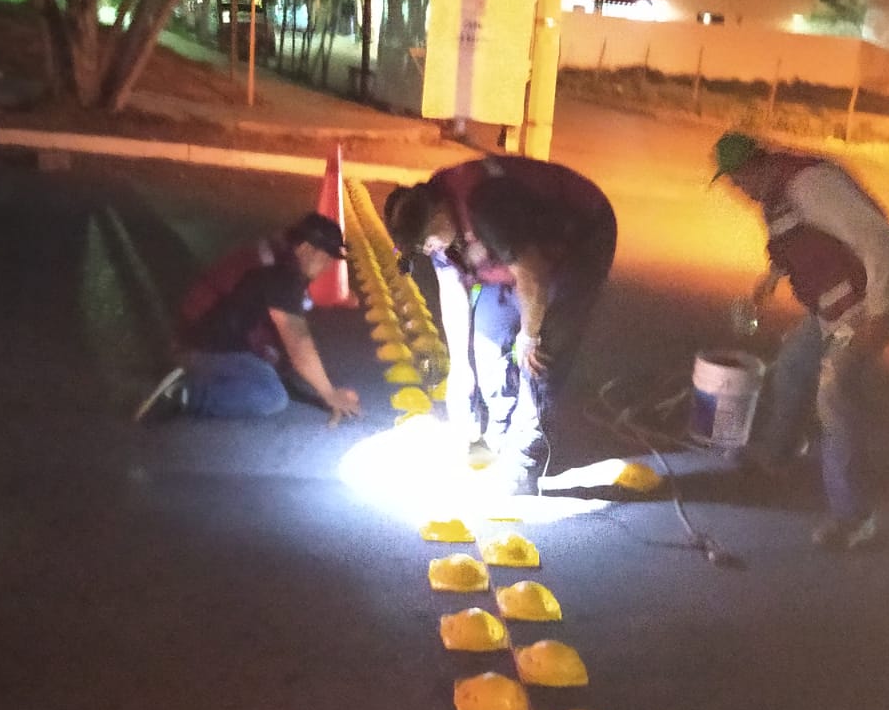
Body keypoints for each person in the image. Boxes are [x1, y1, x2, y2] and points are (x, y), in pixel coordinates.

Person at [711, 131, 889, 549]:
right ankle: (776, 457)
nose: (738, 190)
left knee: (835, 394)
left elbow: (877, 240)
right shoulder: (775, 194)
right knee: (792, 368)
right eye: (731, 182)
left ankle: (853, 518)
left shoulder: (811, 185)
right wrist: (769, 279)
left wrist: (878, 315)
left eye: (739, 178)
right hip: (834, 305)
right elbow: (793, 241)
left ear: (757, 165)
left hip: (869, 300)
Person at [384, 157, 617, 491]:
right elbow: (452, 288)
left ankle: (524, 459)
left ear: (439, 216)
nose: (428, 249)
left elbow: (533, 277)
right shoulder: (430, 214)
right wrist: (460, 367)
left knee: (538, 359)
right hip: (514, 251)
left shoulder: (487, 207)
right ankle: (498, 434)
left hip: (577, 238)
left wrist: (529, 336)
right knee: (487, 342)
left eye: (428, 242)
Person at [134, 211, 363, 425]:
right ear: (305, 249)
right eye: (325, 258)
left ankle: (189, 375)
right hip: (203, 347)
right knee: (271, 396)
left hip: (199, 337)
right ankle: (182, 393)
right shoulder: (284, 276)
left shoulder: (275, 258)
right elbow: (298, 344)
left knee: (271, 372)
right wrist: (329, 393)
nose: (327, 267)